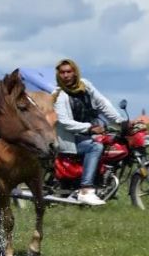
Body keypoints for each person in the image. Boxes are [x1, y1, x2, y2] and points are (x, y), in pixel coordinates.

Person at [53, 58, 125, 206]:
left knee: (112, 143)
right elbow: (64, 122)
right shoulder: (59, 94)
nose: (66, 75)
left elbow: (102, 104)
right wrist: (89, 127)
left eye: (69, 71)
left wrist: (120, 120)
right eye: (62, 72)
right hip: (70, 140)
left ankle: (102, 182)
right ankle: (86, 189)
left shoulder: (85, 85)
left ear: (75, 72)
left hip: (89, 135)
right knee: (95, 147)